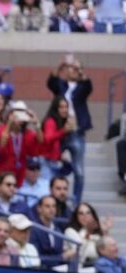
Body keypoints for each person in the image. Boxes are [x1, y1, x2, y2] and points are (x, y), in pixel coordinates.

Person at [47, 58, 91, 205]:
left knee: (79, 170)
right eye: (71, 68)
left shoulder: (82, 86)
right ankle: (52, 195)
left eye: (76, 69)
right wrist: (61, 65)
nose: (73, 70)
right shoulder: (61, 84)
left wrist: (79, 69)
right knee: (53, 163)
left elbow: (88, 86)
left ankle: (76, 202)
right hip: (60, 130)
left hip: (77, 132)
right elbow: (51, 81)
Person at [0, 100, 43, 186]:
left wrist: (37, 124)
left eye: (22, 114)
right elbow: (2, 143)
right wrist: (10, 123)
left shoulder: (26, 133)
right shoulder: (3, 129)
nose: (19, 117)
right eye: (17, 113)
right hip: (3, 171)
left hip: (19, 173)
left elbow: (40, 141)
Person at [29, 195, 74, 269]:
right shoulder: (33, 229)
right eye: (47, 206)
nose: (51, 209)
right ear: (39, 209)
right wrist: (62, 257)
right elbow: (36, 257)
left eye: (54, 206)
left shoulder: (58, 230)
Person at [64, 202, 110, 268]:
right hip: (80, 268)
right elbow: (79, 253)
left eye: (88, 213)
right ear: (76, 216)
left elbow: (106, 252)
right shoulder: (70, 231)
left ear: (93, 215)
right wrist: (87, 234)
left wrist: (105, 233)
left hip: (99, 266)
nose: (85, 216)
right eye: (81, 213)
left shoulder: (98, 232)